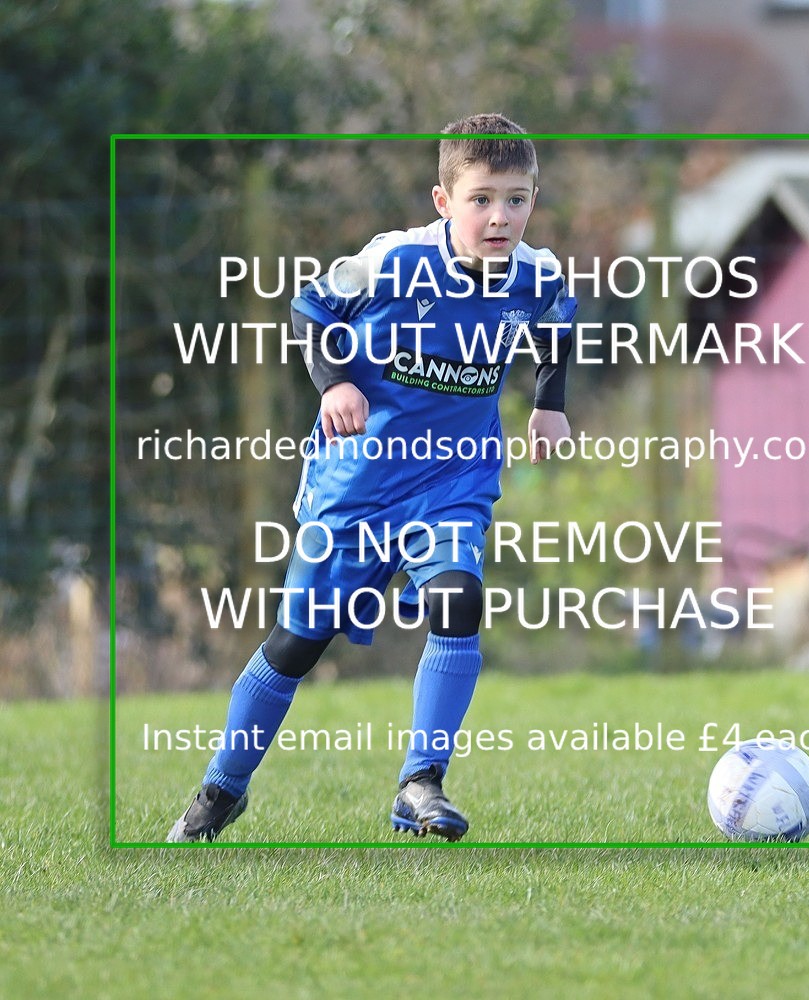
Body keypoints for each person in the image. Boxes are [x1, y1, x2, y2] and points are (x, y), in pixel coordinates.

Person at [167, 113, 576, 843]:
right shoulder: (390, 264)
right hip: (356, 487)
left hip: (453, 482)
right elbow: (310, 308)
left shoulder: (536, 273)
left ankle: (420, 784)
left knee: (458, 600)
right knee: (296, 645)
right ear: (442, 201)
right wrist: (332, 386)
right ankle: (221, 790)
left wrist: (548, 405)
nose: (500, 216)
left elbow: (555, 322)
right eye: (481, 198)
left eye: (517, 199)